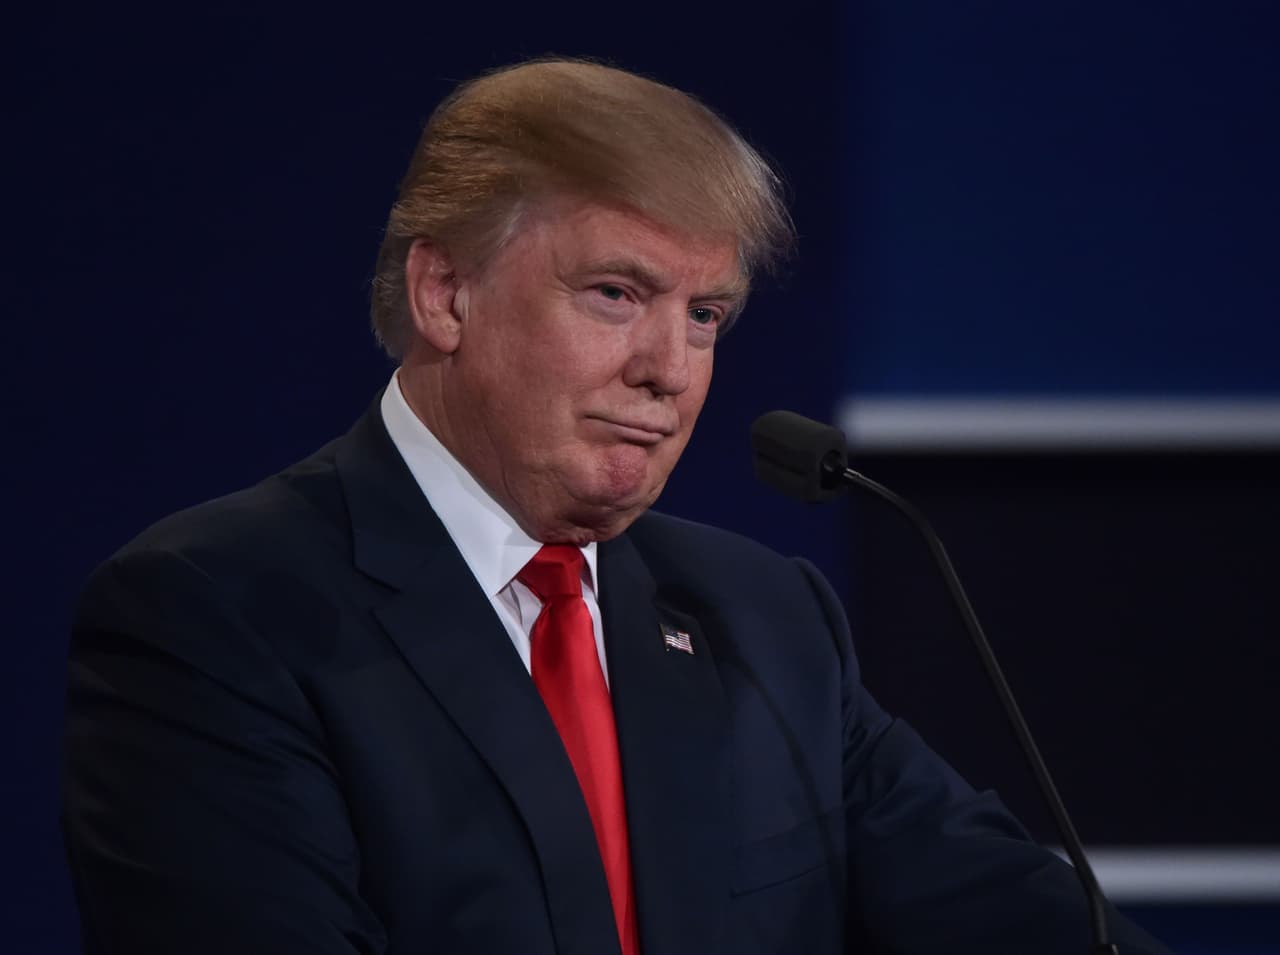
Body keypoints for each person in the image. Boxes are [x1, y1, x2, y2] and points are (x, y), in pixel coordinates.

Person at [62, 58, 1170, 954]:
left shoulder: (761, 615)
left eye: (705, 316)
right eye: (616, 295)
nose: (670, 369)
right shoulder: (218, 611)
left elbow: (1010, 915)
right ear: (444, 292)